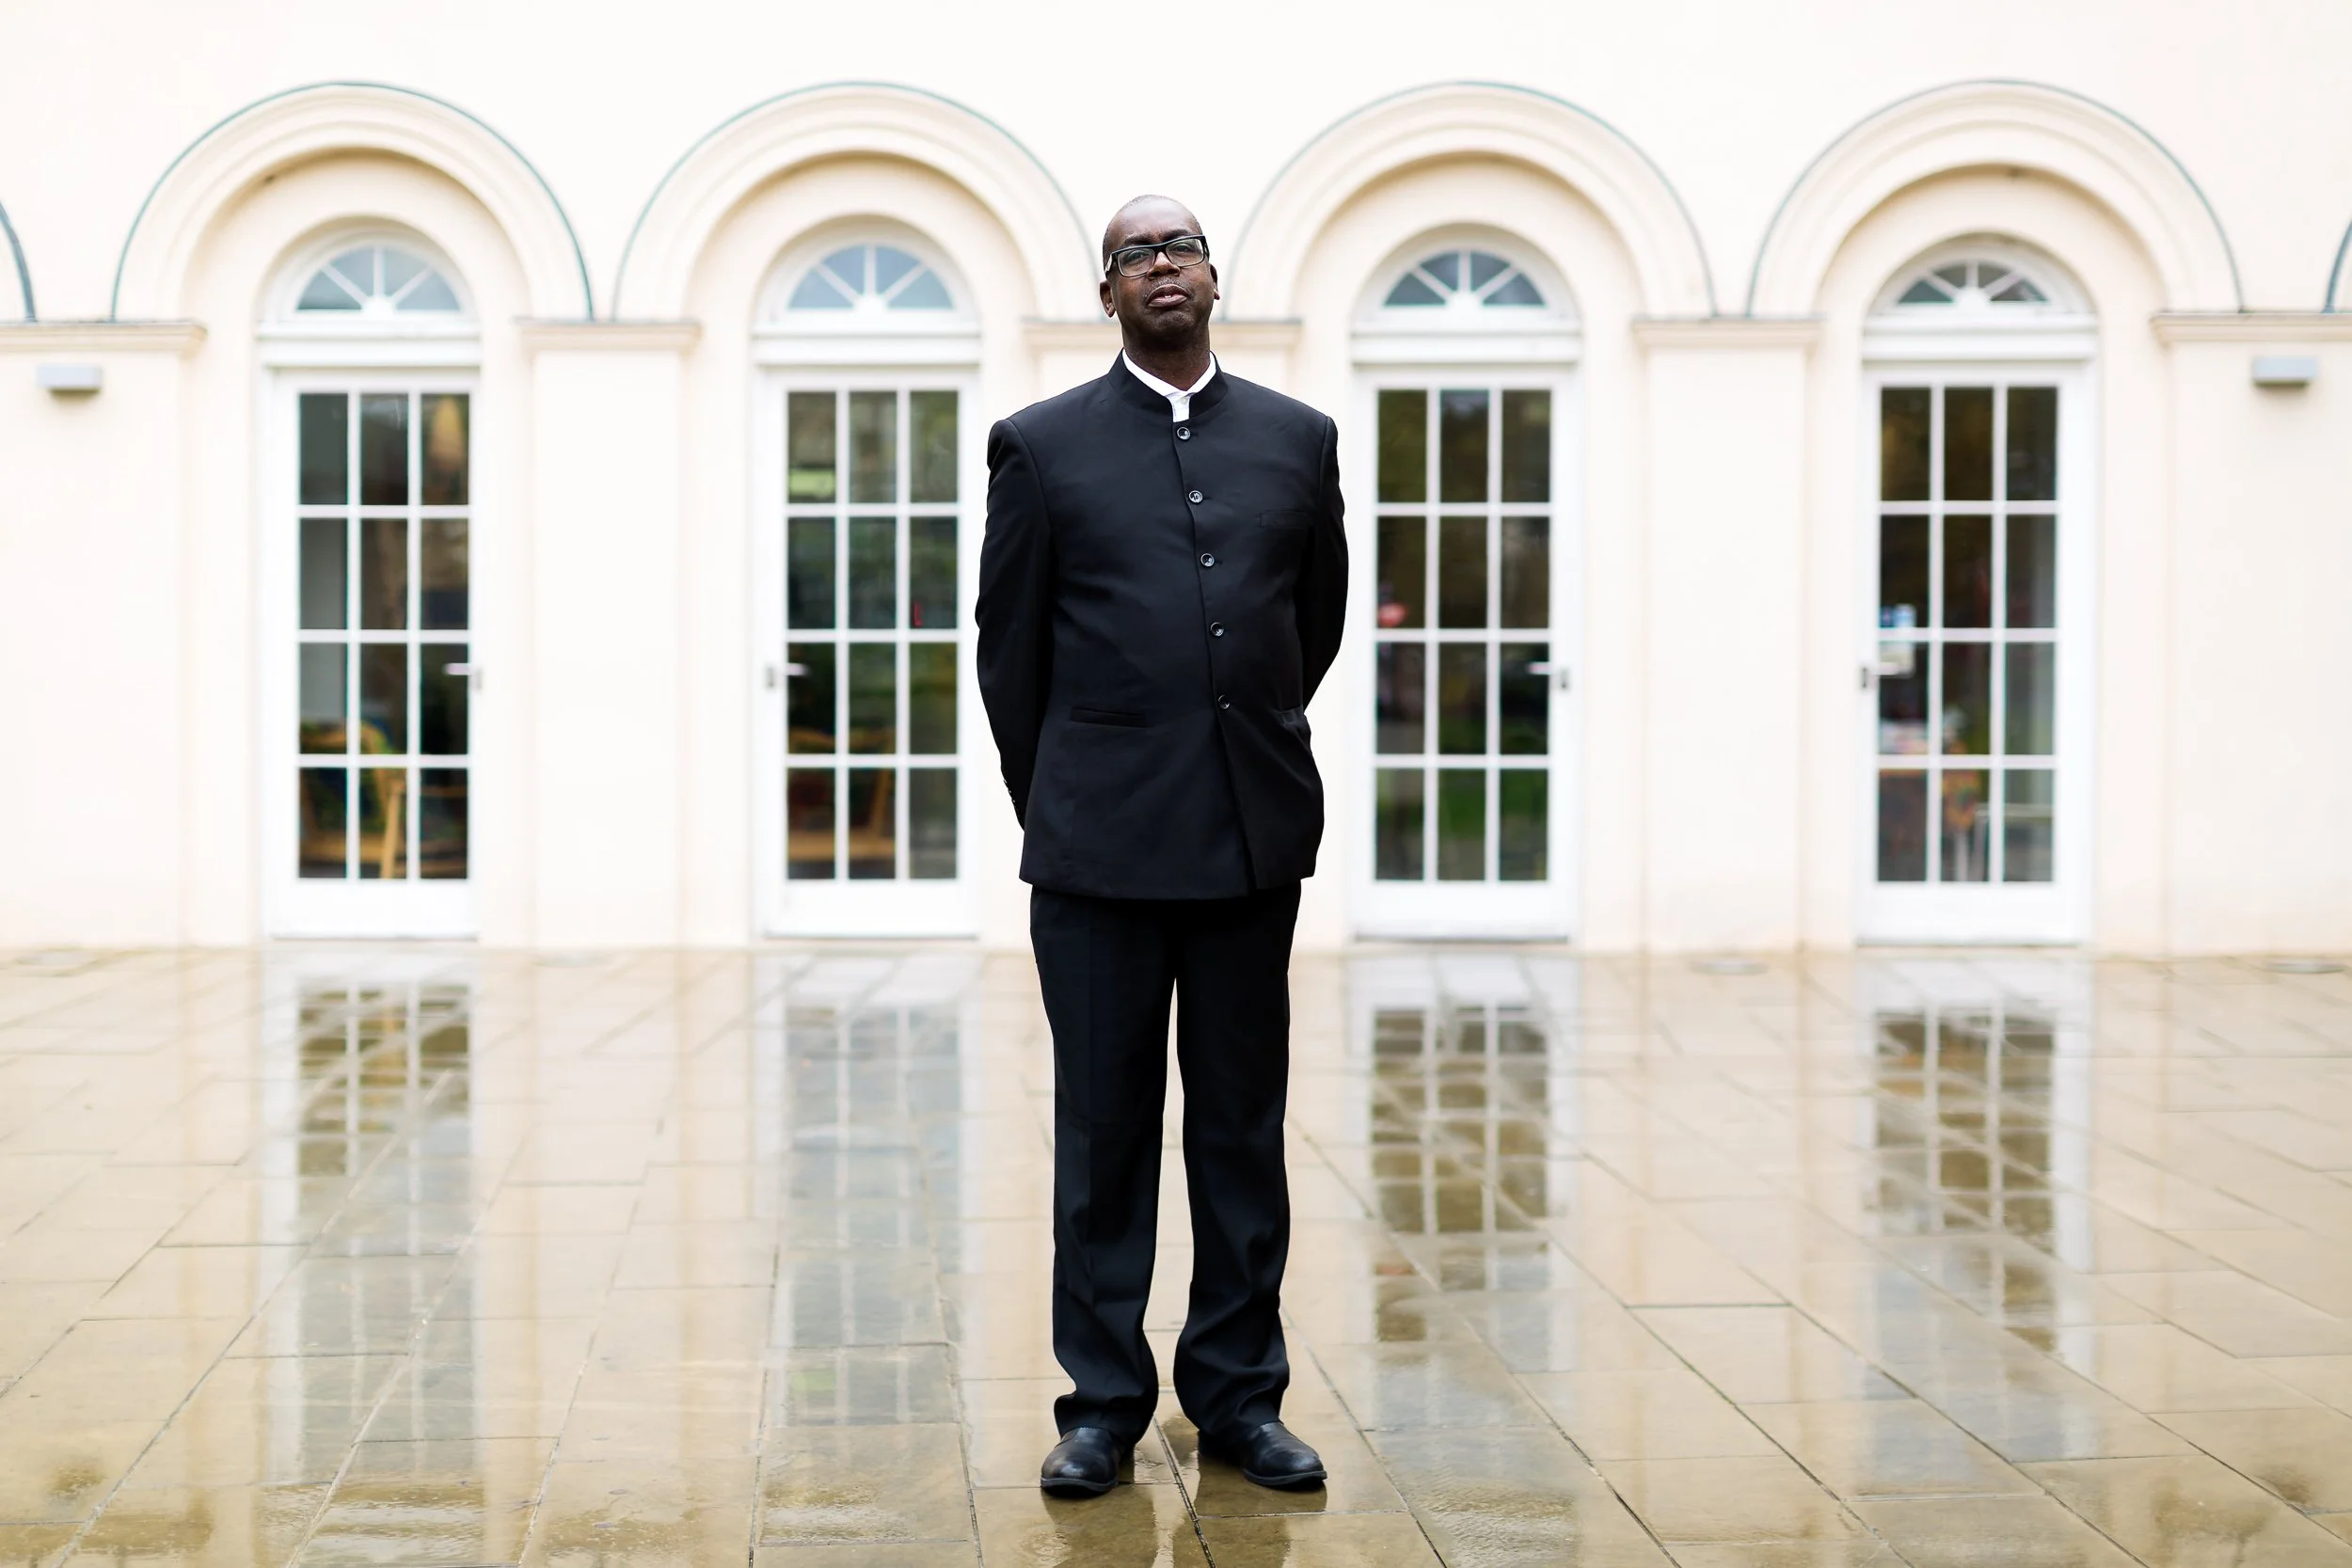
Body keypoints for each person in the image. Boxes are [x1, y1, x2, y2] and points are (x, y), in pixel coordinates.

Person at [976, 195, 1347, 1497]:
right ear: (1108, 293)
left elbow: (1315, 623)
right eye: (1136, 254)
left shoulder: (1300, 442)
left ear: (1214, 276)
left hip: (1251, 846)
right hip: (1097, 859)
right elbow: (1009, 663)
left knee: (1242, 1130)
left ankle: (1242, 1396)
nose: (1163, 266)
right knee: (1106, 1133)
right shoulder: (1041, 446)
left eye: (1180, 246)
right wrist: (1069, 799)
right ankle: (1102, 1407)